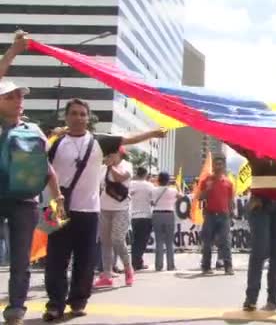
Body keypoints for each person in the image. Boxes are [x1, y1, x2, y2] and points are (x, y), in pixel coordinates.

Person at [43, 98, 166, 321]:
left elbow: (129, 138)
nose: (78, 118)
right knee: (55, 260)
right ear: (66, 116)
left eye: (82, 114)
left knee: (85, 259)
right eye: (74, 113)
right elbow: (39, 162)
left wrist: (154, 133)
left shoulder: (100, 141)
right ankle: (55, 304)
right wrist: (52, 135)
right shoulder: (55, 143)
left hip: (89, 211)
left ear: (88, 118)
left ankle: (78, 302)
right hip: (58, 207)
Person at [0, 30, 65, 325]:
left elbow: (46, 167)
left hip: (25, 201)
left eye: (20, 96)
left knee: (21, 262)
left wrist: (57, 195)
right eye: (10, 96)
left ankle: (15, 310)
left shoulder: (34, 130)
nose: (17, 100)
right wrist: (13, 51)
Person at [228, 143, 276, 312]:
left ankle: (274, 297)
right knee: (259, 250)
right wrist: (210, 119)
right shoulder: (252, 147)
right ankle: (251, 298)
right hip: (259, 204)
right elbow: (229, 137)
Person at [94, 147, 135, 288]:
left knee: (118, 240)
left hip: (121, 209)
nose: (110, 155)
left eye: (113, 153)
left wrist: (110, 165)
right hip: (104, 208)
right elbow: (97, 186)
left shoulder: (127, 165)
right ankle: (107, 274)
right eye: (108, 153)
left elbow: (120, 178)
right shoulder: (102, 168)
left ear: (120, 154)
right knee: (105, 243)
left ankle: (128, 269)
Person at [199, 155, 235, 275]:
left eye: (220, 164)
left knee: (225, 241)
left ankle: (228, 266)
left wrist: (231, 214)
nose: (218, 166)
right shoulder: (206, 180)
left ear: (224, 166)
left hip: (224, 215)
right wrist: (207, 189)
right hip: (210, 215)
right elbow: (200, 197)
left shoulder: (229, 183)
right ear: (213, 165)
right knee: (207, 242)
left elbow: (231, 201)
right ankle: (206, 267)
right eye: (216, 164)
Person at [151, 172, 182, 271]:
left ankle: (158, 266)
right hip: (169, 214)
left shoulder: (154, 190)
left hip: (157, 214)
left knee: (159, 241)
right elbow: (181, 196)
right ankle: (170, 265)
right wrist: (177, 185)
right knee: (169, 242)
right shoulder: (173, 190)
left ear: (159, 180)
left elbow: (151, 202)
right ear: (168, 180)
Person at [130, 167, 154, 271]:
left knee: (134, 241)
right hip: (145, 216)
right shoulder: (149, 186)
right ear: (145, 174)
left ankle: (135, 262)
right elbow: (153, 201)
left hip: (133, 216)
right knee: (142, 241)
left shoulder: (130, 184)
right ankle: (137, 263)